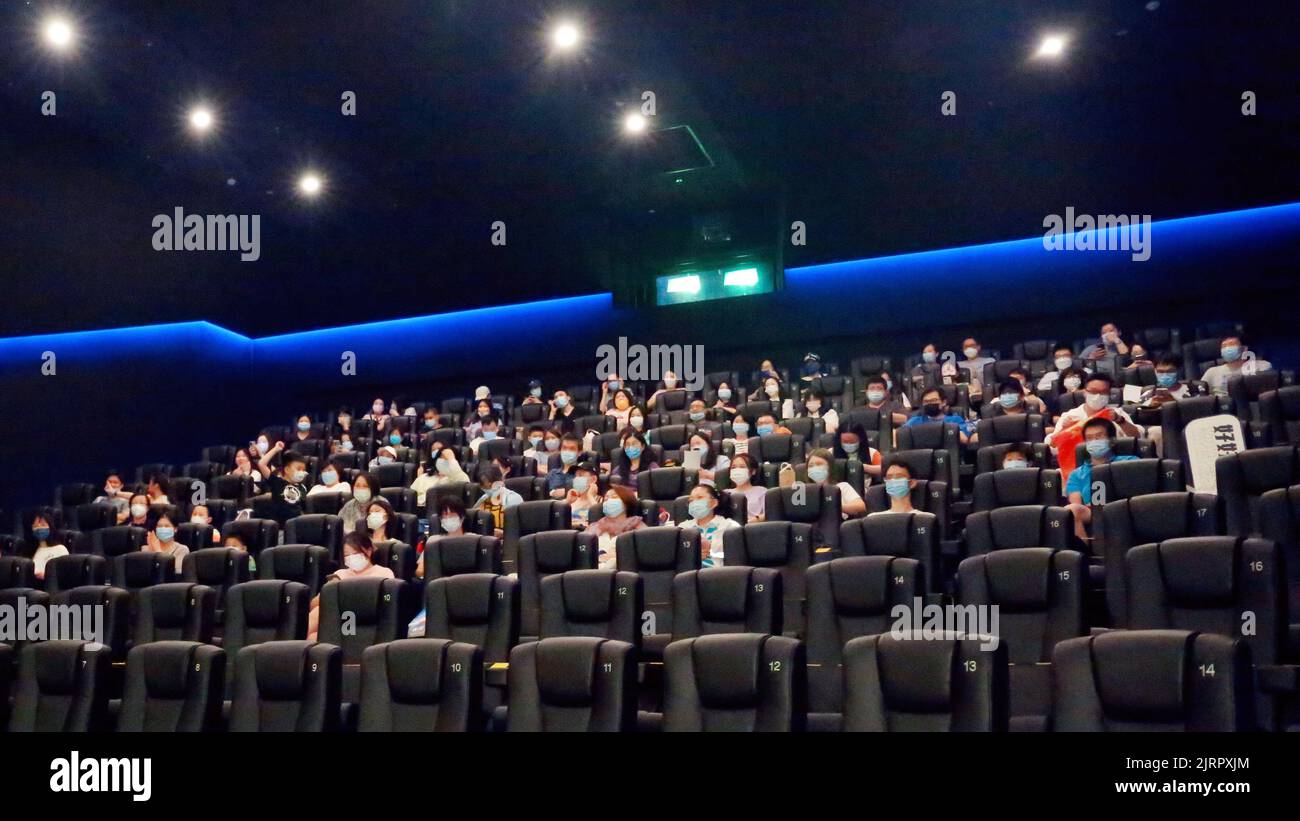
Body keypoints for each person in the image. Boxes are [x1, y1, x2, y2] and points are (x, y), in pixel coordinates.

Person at [307, 532, 395, 641]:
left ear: (368, 550)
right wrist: (328, 592)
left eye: (355, 554)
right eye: (347, 556)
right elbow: (313, 605)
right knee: (313, 633)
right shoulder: (340, 574)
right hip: (337, 620)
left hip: (360, 619)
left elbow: (388, 603)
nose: (351, 558)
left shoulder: (383, 573)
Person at [1064, 418, 1140, 541]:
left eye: (1099, 437)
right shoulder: (1077, 474)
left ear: (1111, 441)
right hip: (1094, 513)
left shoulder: (1131, 461)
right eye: (1089, 438)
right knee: (1070, 510)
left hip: (1127, 508)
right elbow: (1076, 504)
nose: (1094, 441)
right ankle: (1085, 555)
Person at [586, 485, 644, 569]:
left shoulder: (637, 527)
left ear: (626, 502)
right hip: (591, 573)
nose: (609, 501)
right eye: (606, 498)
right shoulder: (593, 528)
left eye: (614, 497)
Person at [681, 484, 740, 566]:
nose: (694, 503)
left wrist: (711, 547)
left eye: (700, 498)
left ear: (714, 503)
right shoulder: (683, 528)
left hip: (721, 575)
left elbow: (738, 554)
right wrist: (693, 555)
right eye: (691, 501)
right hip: (689, 575)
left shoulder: (730, 526)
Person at [414, 497, 470, 579]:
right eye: (445, 515)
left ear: (462, 516)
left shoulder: (475, 540)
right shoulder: (434, 541)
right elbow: (419, 572)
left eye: (452, 514)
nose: (448, 518)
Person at [805, 448, 866, 517]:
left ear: (830, 467)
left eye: (819, 464)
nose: (815, 468)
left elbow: (861, 506)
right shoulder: (804, 491)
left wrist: (833, 506)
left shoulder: (842, 487)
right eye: (811, 466)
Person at [1201, 336, 1271, 396]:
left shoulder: (1262, 366)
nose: (1227, 349)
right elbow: (1201, 396)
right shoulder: (1212, 372)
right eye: (1224, 346)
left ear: (1244, 349)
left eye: (1231, 345)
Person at [904, 387, 973, 445]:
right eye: (926, 402)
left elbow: (964, 439)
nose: (930, 404)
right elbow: (900, 434)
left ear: (943, 402)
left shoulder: (954, 420)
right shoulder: (914, 420)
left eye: (934, 400)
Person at [470, 465, 522, 537]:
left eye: (492, 485)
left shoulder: (513, 499)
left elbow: (518, 531)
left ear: (501, 480)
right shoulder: (483, 499)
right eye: (486, 487)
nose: (490, 489)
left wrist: (502, 533)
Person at [259, 450, 309, 525]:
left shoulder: (302, 488)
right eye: (298, 469)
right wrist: (276, 449)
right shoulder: (277, 482)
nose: (302, 472)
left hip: (297, 526)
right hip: (280, 527)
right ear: (287, 469)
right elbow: (261, 464)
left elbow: (303, 509)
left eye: (303, 470)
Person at [25, 512, 68, 581]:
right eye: (35, 526)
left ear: (50, 527)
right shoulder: (28, 551)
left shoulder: (60, 549)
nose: (39, 528)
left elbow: (65, 574)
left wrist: (47, 576)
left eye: (43, 525)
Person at [727, 454, 766, 522]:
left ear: (753, 471)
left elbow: (768, 514)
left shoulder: (762, 491)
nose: (737, 470)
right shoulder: (725, 493)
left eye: (742, 467)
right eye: (733, 467)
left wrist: (751, 521)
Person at [565, 460, 602, 528]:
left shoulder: (601, 501)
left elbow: (601, 522)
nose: (576, 479)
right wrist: (567, 503)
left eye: (580, 475)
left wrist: (590, 496)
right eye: (575, 476)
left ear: (594, 479)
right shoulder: (568, 501)